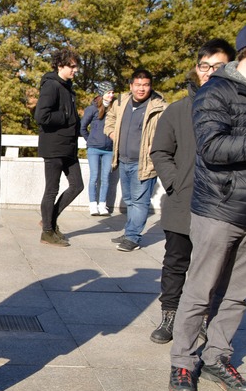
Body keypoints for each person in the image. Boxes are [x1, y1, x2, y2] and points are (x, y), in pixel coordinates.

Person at [168, 17, 246, 391]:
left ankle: (218, 357)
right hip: (219, 209)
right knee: (200, 291)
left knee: (239, 294)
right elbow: (213, 148)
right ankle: (183, 363)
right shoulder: (216, 92)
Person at [149, 39, 235, 345]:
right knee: (175, 263)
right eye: (204, 66)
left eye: (218, 66)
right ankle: (169, 317)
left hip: (223, 205)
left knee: (215, 267)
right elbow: (160, 151)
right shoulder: (177, 110)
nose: (210, 72)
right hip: (182, 201)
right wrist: (175, 183)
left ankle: (204, 318)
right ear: (197, 69)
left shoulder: (239, 109)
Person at [103, 68, 167, 252]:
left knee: (140, 201)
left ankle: (132, 237)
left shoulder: (159, 106)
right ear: (131, 86)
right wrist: (113, 133)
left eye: (145, 85)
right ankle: (129, 231)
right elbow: (110, 119)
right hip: (123, 159)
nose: (141, 89)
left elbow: (168, 131)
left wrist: (156, 145)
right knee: (130, 200)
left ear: (150, 86)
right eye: (138, 85)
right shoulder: (121, 101)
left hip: (144, 162)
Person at [34, 49, 85, 246]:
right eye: (71, 66)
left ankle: (49, 220)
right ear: (60, 65)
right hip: (54, 146)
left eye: (75, 66)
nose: (75, 70)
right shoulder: (52, 86)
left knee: (77, 185)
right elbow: (41, 116)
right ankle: (47, 231)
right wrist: (66, 116)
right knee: (51, 190)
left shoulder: (67, 86)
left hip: (69, 146)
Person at [80, 81, 115, 216]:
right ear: (102, 93)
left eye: (112, 92)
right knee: (94, 176)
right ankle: (92, 205)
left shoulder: (114, 109)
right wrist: (90, 140)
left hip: (109, 149)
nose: (111, 95)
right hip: (94, 149)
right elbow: (82, 127)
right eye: (108, 92)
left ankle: (102, 205)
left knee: (105, 177)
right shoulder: (92, 109)